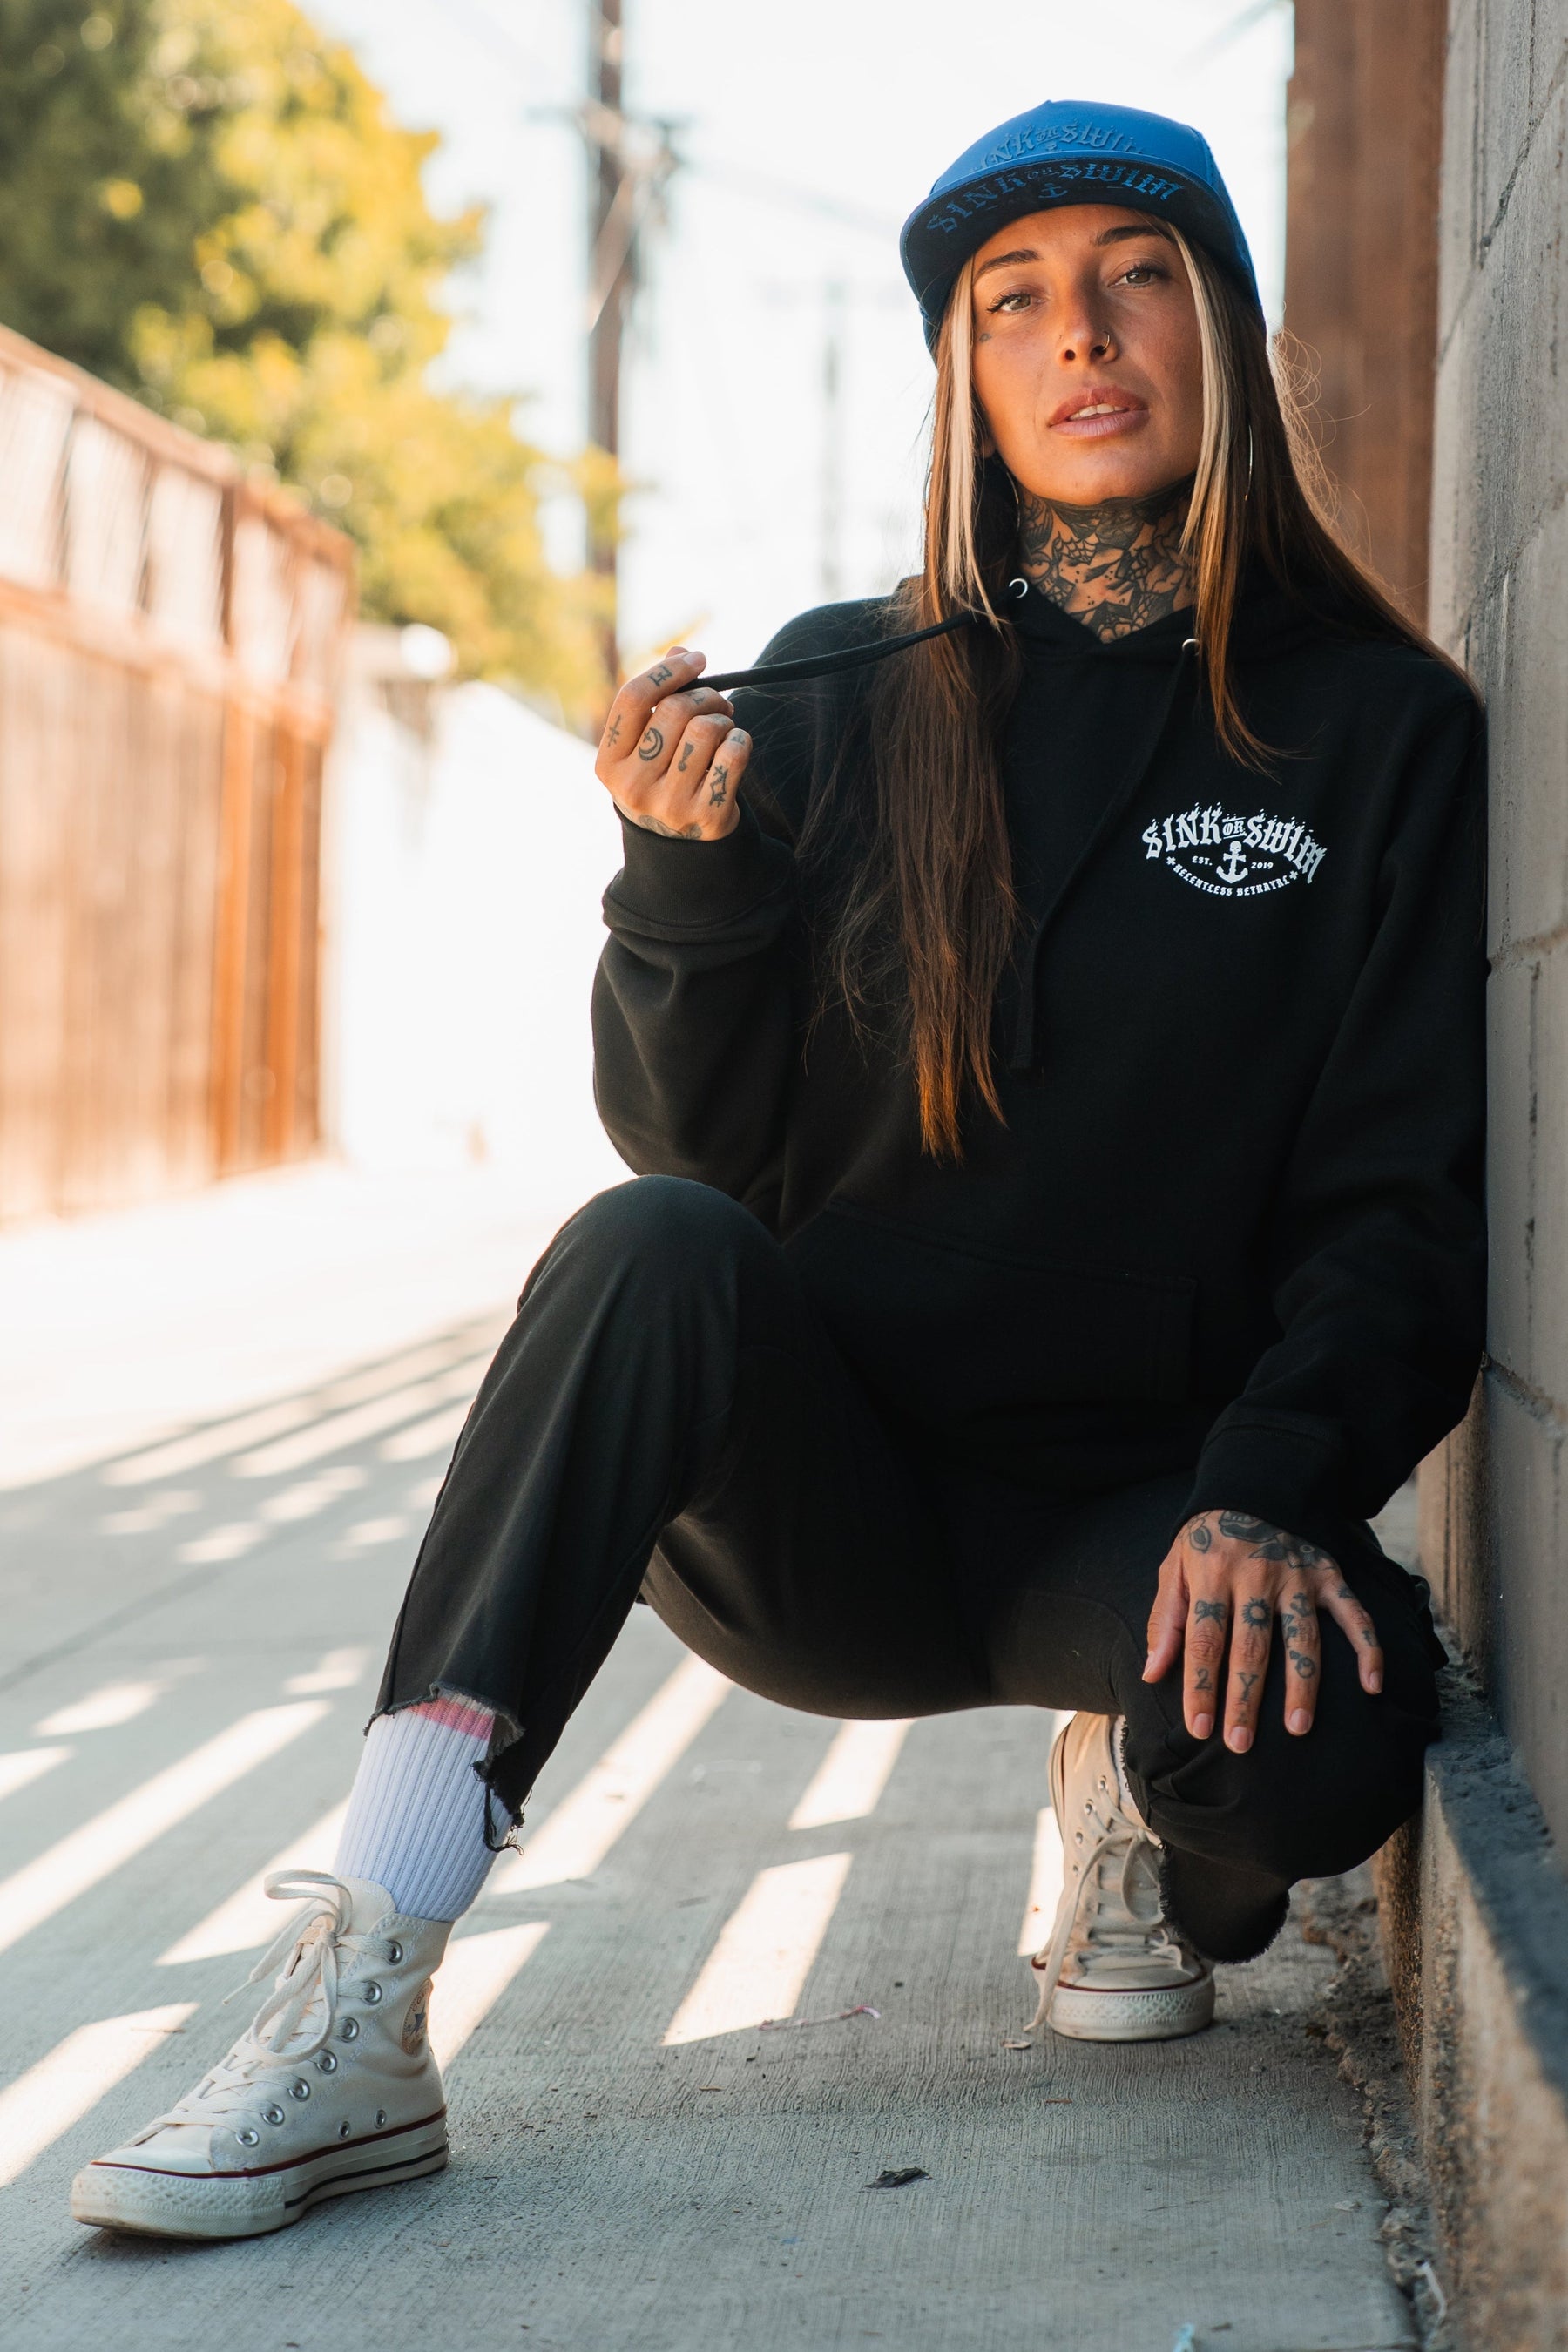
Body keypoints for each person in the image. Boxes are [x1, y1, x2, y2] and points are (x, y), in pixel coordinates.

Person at [72, 98, 1484, 2241]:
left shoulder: (1376, 727)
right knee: (644, 1247)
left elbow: (1399, 1193)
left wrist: (1274, 1484)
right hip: (843, 1512)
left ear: (1220, 328)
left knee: (1336, 1719)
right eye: (1015, 302)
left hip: (1147, 1511)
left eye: (1134, 275)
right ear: (966, 375)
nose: (1079, 335)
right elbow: (698, 1157)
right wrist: (680, 883)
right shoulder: (842, 688)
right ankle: (367, 1953)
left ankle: (1133, 1797)